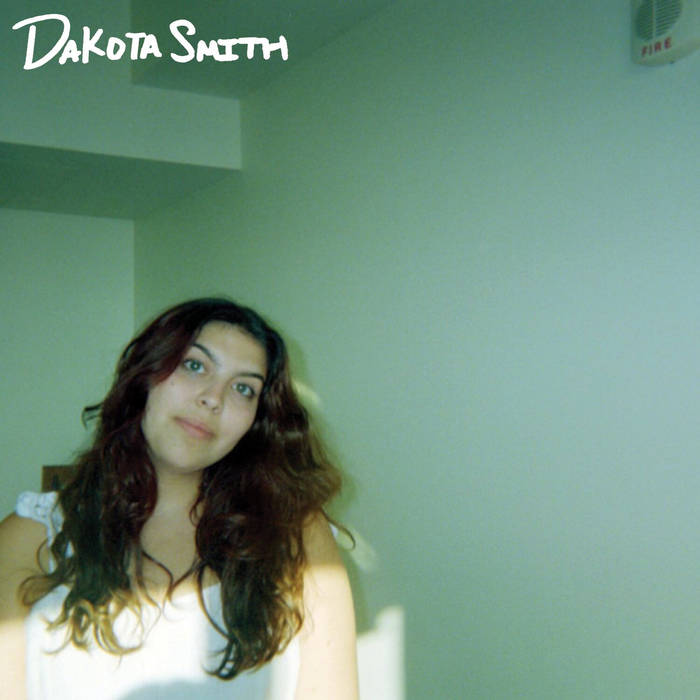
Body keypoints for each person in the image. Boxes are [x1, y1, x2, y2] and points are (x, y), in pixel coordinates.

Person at [0, 298, 358, 700]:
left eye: (243, 388)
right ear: (145, 375)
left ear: (255, 422)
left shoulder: (297, 536)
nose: (213, 398)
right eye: (194, 365)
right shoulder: (30, 537)